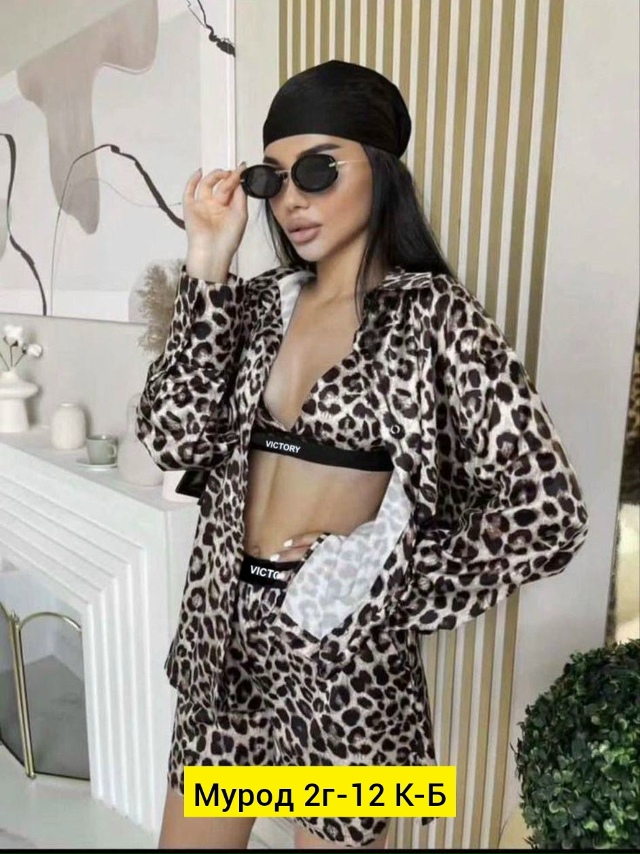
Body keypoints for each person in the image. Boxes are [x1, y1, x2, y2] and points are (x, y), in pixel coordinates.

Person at [136, 60, 589, 850]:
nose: (291, 199)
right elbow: (173, 437)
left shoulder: (437, 319)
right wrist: (207, 261)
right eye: (271, 179)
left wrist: (381, 581)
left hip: (343, 661)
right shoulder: (256, 303)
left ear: (381, 171)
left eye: (318, 169)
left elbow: (548, 513)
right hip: (223, 643)